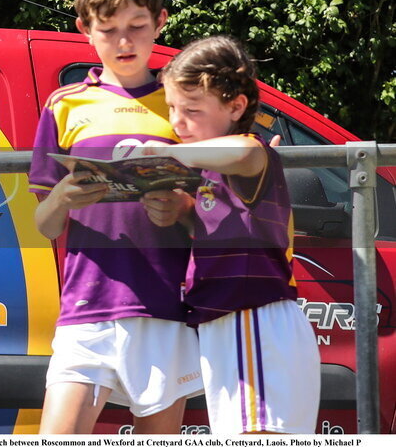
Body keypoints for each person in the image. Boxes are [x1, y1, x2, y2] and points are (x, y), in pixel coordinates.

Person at [29, 0, 202, 434]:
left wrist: (185, 208)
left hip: (167, 305)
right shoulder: (65, 105)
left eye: (137, 26)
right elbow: (42, 225)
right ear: (85, 26)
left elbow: (213, 213)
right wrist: (62, 197)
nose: (123, 41)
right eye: (108, 29)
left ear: (160, 22)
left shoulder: (185, 107)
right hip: (87, 305)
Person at [134, 35, 320, 435]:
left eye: (192, 109)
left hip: (251, 322)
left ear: (236, 106)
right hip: (237, 327)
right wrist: (185, 212)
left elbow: (244, 151)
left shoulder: (249, 151)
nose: (177, 121)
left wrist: (159, 154)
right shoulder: (207, 170)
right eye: (171, 108)